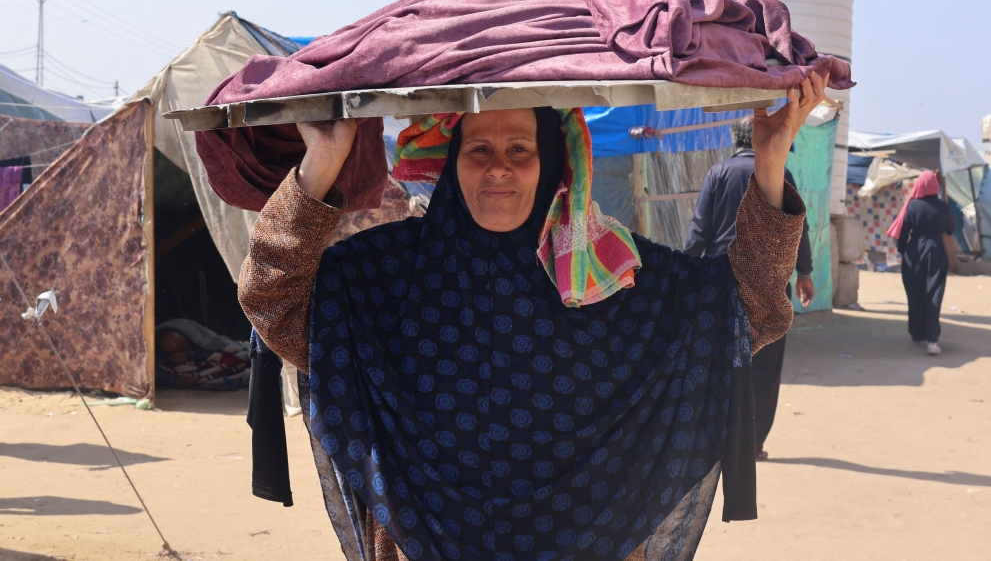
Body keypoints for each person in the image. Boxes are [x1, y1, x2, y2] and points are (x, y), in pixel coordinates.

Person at [239, 73, 828, 561]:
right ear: (452, 162)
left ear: (554, 161)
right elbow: (273, 300)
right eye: (479, 150)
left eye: (520, 149)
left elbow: (748, 310)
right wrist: (321, 161)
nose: (499, 168)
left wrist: (771, 160)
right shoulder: (386, 277)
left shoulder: (614, 276)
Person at [683, 116, 814, 462]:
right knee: (765, 366)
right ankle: (753, 443)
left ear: (734, 139)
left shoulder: (718, 172)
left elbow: (699, 231)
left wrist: (686, 272)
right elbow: (799, 228)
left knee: (718, 361)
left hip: (721, 283)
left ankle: (716, 437)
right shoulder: (782, 173)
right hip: (770, 284)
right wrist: (805, 272)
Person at [888, 170, 956, 355]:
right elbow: (951, 229)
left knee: (915, 292)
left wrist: (904, 251)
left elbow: (902, 234)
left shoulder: (912, 205)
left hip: (914, 251)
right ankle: (932, 340)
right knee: (934, 293)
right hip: (935, 251)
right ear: (935, 185)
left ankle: (917, 333)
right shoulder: (944, 207)